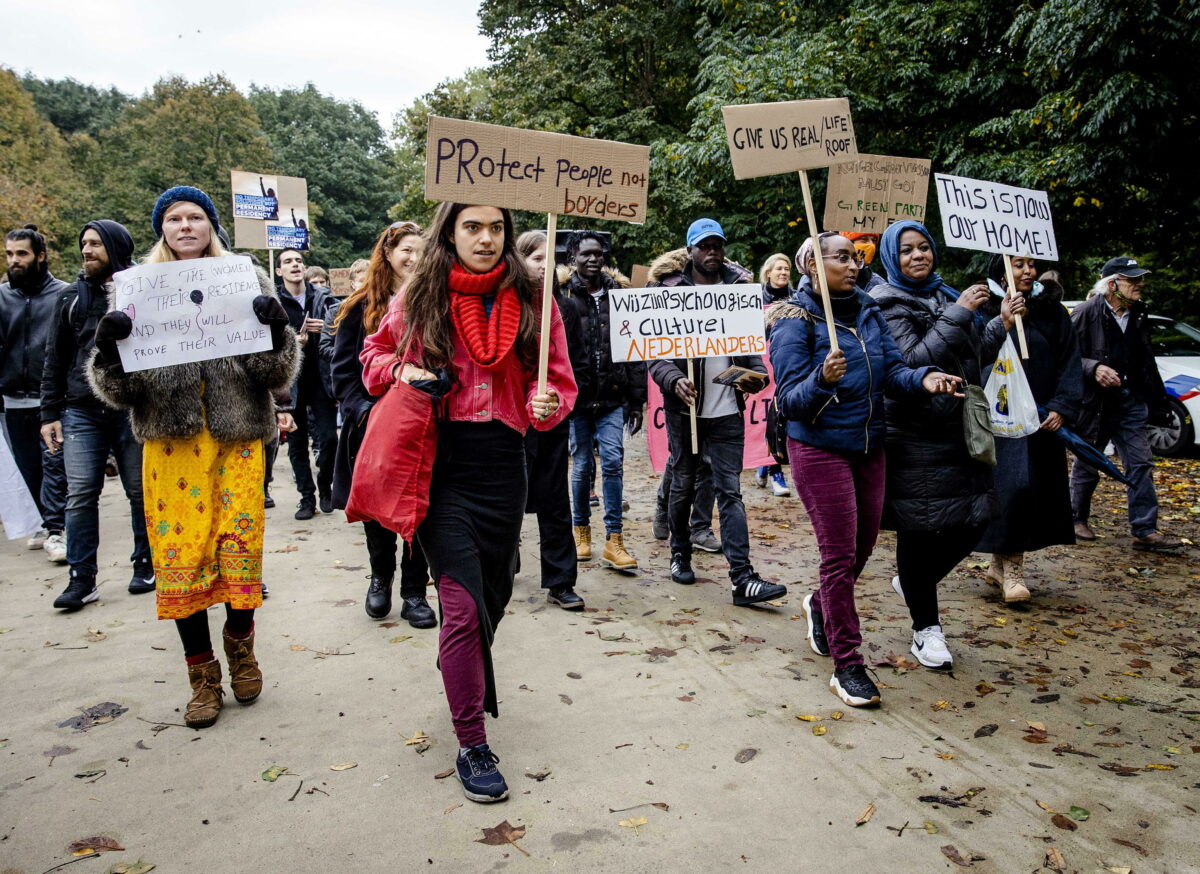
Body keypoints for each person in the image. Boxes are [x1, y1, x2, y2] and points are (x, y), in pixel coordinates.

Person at [360, 202, 576, 803]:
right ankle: (472, 742)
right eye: (472, 227)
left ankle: (461, 662)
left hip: (505, 464)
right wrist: (405, 373)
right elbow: (371, 358)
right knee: (459, 608)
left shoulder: (534, 298)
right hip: (438, 462)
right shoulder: (420, 295)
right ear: (449, 233)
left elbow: (559, 379)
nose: (485, 238)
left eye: (496, 228)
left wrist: (547, 403)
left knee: (493, 598)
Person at [87, 185, 299, 728]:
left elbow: (273, 375)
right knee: (181, 562)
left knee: (239, 549)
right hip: (171, 448)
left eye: (196, 217)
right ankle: (202, 675)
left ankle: (241, 646)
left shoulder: (245, 279)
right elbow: (118, 390)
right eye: (175, 218)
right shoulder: (134, 290)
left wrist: (276, 331)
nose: (185, 226)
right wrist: (110, 352)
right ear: (162, 228)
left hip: (235, 443)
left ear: (211, 226)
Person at [770, 231, 963, 707]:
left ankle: (820, 607)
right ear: (812, 266)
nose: (852, 264)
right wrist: (821, 378)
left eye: (854, 257)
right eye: (839, 258)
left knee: (862, 549)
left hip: (870, 446)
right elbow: (789, 402)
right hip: (819, 449)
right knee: (838, 557)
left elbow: (895, 372)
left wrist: (925, 379)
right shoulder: (794, 321)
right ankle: (848, 665)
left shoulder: (870, 311)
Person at [870, 221, 995, 670]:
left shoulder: (948, 295)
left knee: (978, 518)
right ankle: (927, 630)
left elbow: (972, 356)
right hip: (913, 434)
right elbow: (912, 365)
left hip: (959, 430)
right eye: (906, 250)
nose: (918, 256)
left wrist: (1000, 324)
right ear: (891, 258)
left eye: (924, 247)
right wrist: (959, 314)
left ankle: (912, 582)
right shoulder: (885, 303)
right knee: (919, 531)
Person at [648, 219, 784, 607]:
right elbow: (653, 352)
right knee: (684, 482)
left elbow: (750, 350)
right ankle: (680, 552)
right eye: (704, 246)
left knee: (731, 491)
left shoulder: (739, 290)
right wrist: (674, 379)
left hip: (726, 411)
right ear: (690, 250)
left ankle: (742, 577)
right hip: (684, 410)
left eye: (717, 246)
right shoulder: (668, 291)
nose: (712, 253)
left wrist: (755, 377)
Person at [40, 219, 154, 609]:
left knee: (139, 491)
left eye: (95, 245)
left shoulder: (144, 292)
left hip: (130, 408)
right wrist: (49, 413)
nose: (86, 251)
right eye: (83, 244)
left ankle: (146, 564)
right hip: (80, 412)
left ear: (116, 248)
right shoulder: (70, 298)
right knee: (81, 494)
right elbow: (55, 359)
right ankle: (81, 578)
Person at [330, 221, 436, 627]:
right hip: (373, 425)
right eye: (407, 250)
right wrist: (366, 412)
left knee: (418, 505)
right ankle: (380, 577)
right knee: (376, 511)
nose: (414, 258)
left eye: (421, 251)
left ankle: (414, 592)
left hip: (423, 425)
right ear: (388, 254)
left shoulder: (433, 301)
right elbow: (342, 374)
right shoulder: (361, 306)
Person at [974, 254, 1083, 601]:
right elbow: (970, 353)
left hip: (1040, 419)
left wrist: (1063, 406)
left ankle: (1000, 564)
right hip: (997, 420)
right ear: (1001, 271)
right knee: (1011, 487)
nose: (1027, 271)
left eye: (1030, 265)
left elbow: (1070, 359)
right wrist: (1003, 321)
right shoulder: (982, 307)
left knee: (1028, 490)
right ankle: (1012, 571)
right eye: (1017, 264)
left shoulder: (1053, 311)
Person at [1069, 257, 1182, 551]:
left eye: (1140, 279)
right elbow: (1065, 357)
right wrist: (1093, 368)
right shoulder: (1085, 312)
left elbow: (1145, 359)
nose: (1139, 284)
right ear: (1112, 284)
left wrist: (1156, 401)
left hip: (1131, 401)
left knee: (1141, 462)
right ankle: (1076, 518)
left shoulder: (1139, 313)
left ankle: (1145, 529)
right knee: (1089, 461)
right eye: (1132, 280)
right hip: (1096, 404)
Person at [562, 230, 645, 572]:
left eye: (599, 254)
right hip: (578, 401)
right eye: (586, 254)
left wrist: (637, 401)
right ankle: (581, 531)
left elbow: (636, 350)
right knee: (582, 467)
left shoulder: (622, 297)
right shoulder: (563, 297)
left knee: (612, 463)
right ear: (574, 260)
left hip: (613, 399)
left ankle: (614, 538)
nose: (594, 259)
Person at [516, 229, 589, 607]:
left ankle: (560, 579)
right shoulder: (505, 303)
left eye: (550, 259)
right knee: (509, 492)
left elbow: (572, 362)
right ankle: (504, 557)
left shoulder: (566, 308)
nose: (545, 266)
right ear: (520, 261)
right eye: (536, 258)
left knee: (554, 497)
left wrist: (557, 397)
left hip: (552, 416)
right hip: (511, 417)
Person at [2, 225, 69, 560]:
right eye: (10, 254)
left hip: (52, 399)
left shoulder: (64, 294)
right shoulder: (2, 297)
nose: (14, 261)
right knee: (28, 465)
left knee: (54, 462)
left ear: (40, 256)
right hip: (13, 396)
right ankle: (44, 523)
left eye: (22, 254)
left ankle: (57, 527)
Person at [274, 247, 337, 518]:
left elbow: (338, 328)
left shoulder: (321, 298)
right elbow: (267, 343)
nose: (295, 265)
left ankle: (325, 486)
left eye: (298, 260)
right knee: (297, 443)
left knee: (330, 438)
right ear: (279, 271)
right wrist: (291, 341)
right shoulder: (273, 302)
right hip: (291, 384)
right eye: (288, 262)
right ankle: (307, 498)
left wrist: (325, 327)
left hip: (322, 380)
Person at [755, 252, 793, 497]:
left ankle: (766, 463)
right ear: (768, 272)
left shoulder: (797, 299)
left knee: (780, 418)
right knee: (764, 418)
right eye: (778, 268)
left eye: (787, 269)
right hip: (763, 368)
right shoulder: (755, 299)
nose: (783, 273)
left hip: (786, 366)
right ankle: (773, 469)